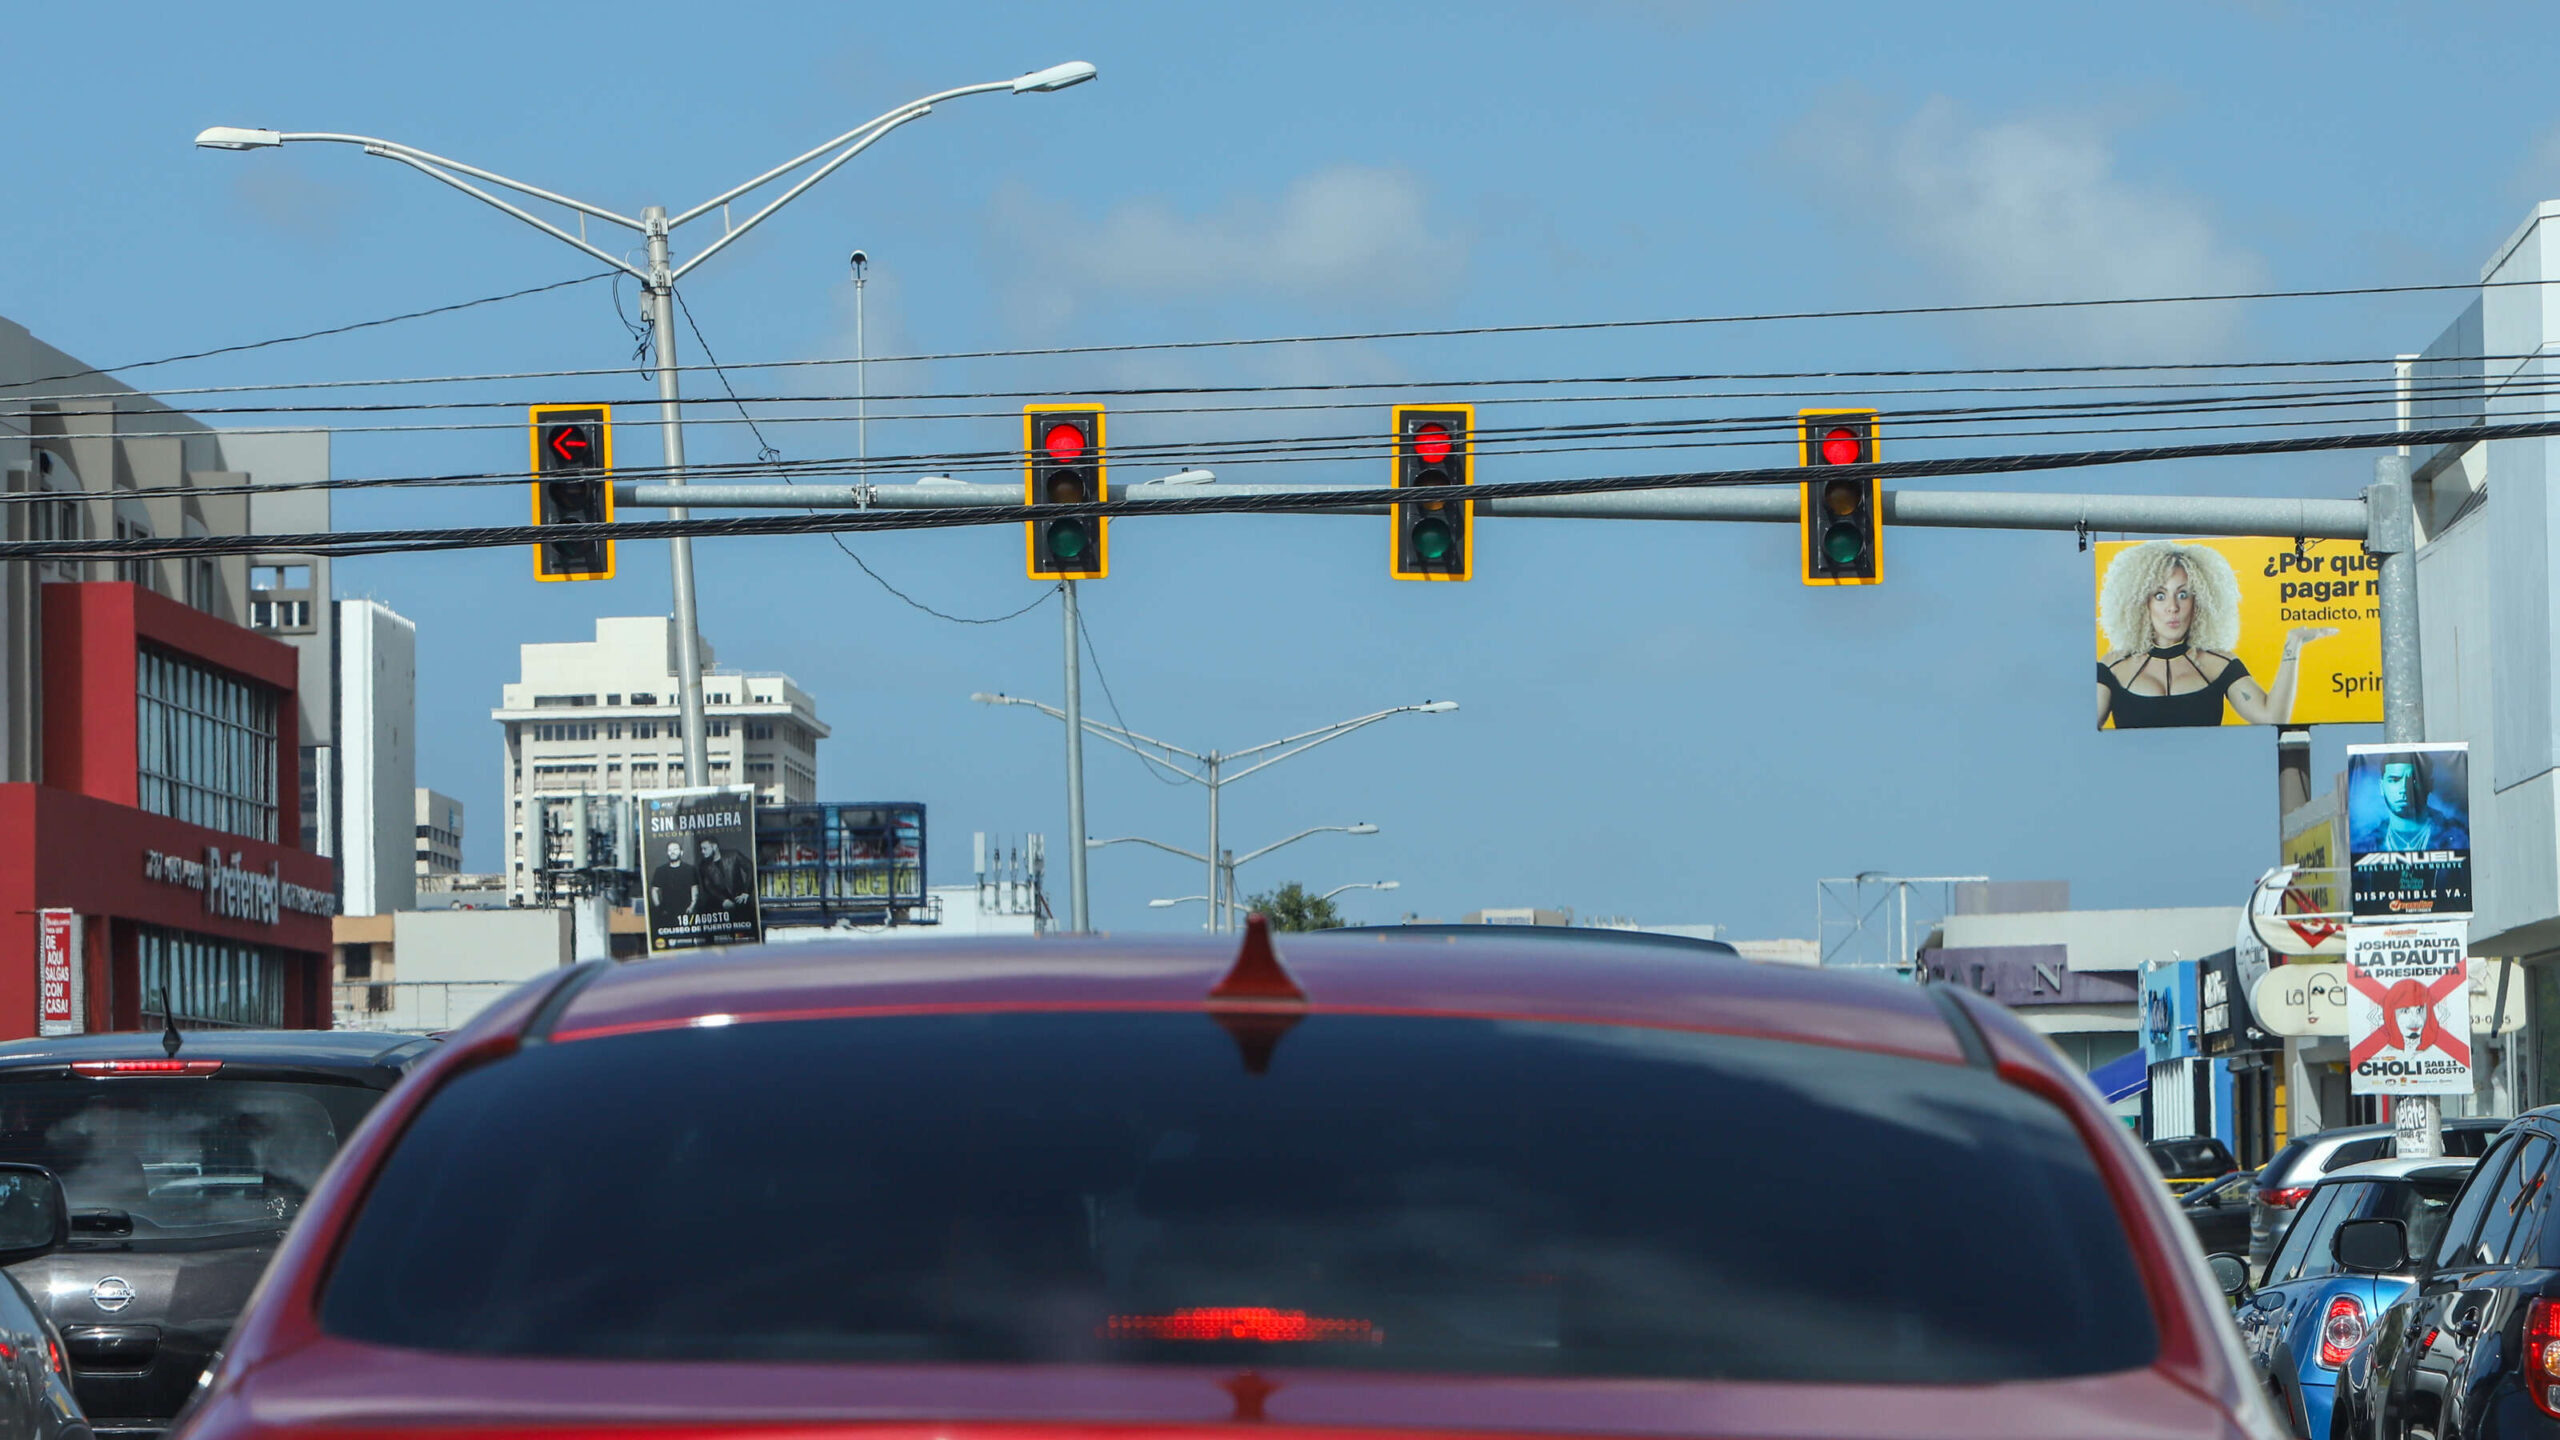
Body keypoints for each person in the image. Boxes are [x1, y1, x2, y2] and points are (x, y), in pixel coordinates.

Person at [2094, 540, 2338, 728]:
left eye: (2183, 594)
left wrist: (2292, 646)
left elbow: (2272, 716)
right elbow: (2078, 737)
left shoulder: (2219, 664)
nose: (2173, 607)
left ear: (2199, 601)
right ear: (2141, 603)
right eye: (2160, 595)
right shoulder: (2113, 666)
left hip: (2209, 783)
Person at [2351, 754, 2470, 854]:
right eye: (2394, 780)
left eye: (2414, 780)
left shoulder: (2458, 839)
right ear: (2381, 787)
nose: (2404, 788)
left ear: (2429, 785)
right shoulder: (2364, 847)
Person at [697, 836, 755, 915]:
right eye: (701, 849)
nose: (702, 852)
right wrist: (723, 900)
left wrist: (746, 892)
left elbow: (750, 868)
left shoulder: (734, 855)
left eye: (705, 848)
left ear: (714, 846)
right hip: (719, 907)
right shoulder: (703, 866)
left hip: (741, 903)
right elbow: (708, 887)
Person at [649, 840, 697, 919]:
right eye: (670, 850)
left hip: (686, 911)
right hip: (666, 912)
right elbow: (654, 890)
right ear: (667, 853)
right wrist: (659, 907)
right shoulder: (660, 870)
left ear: (681, 852)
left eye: (675, 849)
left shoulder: (689, 869)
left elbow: (694, 888)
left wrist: (692, 906)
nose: (672, 852)